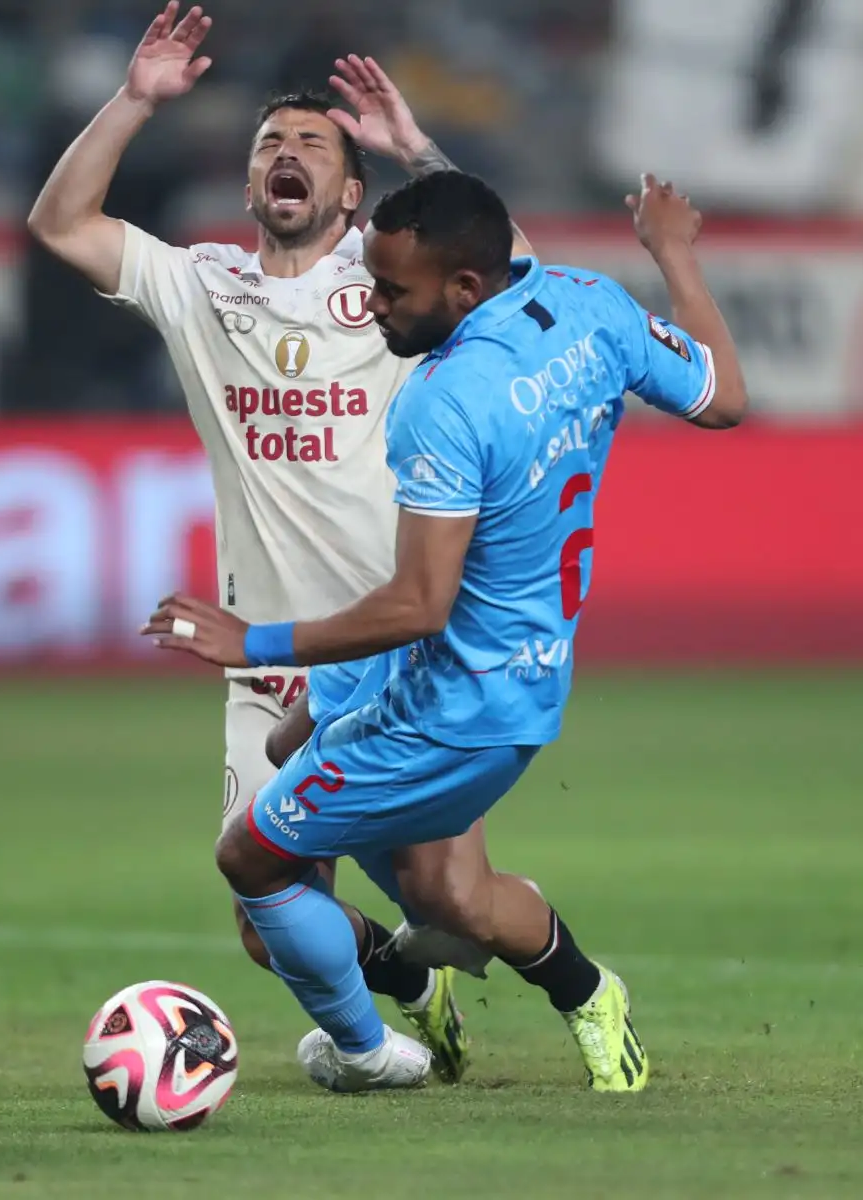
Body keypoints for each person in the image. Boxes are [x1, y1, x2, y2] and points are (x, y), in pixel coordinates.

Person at [144, 168, 750, 1092]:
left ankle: (369, 1053)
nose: (372, 305)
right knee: (430, 880)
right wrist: (672, 254)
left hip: (456, 701)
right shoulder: (588, 303)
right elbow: (724, 396)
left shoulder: (443, 400)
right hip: (497, 666)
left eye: (392, 291)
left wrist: (252, 642)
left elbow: (418, 602)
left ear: (465, 288)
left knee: (251, 860)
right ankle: (568, 991)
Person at [27, 2, 534, 1081]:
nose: (286, 153)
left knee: (456, 905)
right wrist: (133, 101)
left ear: (352, 195)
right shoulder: (202, 285)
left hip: (391, 656)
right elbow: (61, 223)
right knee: (264, 920)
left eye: (313, 142)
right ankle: (404, 998)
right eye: (269, 144)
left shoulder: (394, 292)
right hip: (265, 663)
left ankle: (540, 977)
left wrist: (420, 152)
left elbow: (512, 277)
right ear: (252, 183)